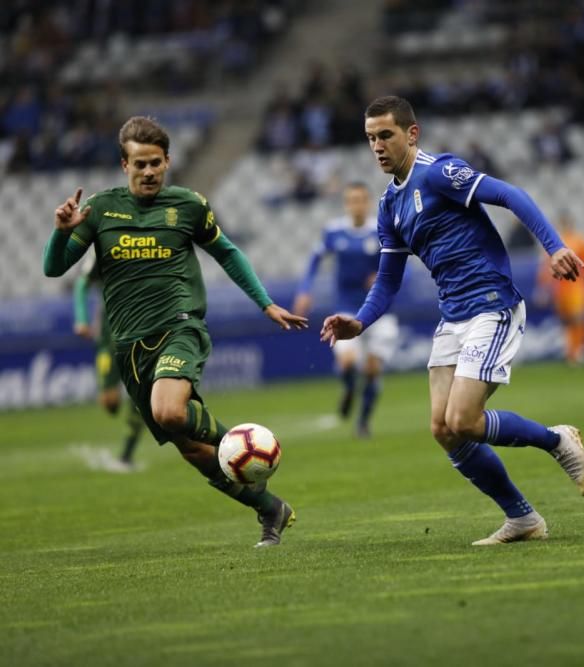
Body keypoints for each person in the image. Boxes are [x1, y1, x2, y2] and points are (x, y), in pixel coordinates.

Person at [320, 96, 584, 546]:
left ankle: (556, 440)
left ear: (412, 134)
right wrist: (360, 322)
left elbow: (509, 195)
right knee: (443, 429)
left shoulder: (438, 172)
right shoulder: (390, 207)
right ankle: (522, 519)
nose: (377, 146)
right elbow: (388, 279)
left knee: (464, 419)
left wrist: (554, 246)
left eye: (385, 135)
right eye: (370, 138)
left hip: (492, 304)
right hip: (453, 317)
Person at [43, 116, 307, 547]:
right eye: (139, 164)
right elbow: (54, 268)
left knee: (169, 413)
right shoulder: (99, 211)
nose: (148, 172)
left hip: (179, 327)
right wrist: (60, 234)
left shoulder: (188, 206)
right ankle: (269, 508)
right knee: (193, 451)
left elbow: (227, 252)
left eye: (155, 163)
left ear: (167, 161)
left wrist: (265, 302)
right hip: (128, 347)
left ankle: (245, 442)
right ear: (123, 165)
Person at [293, 182, 399, 438]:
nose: (357, 205)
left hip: (377, 312)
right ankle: (350, 389)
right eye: (352, 200)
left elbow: (399, 266)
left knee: (372, 370)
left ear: (368, 202)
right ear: (346, 204)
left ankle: (362, 422)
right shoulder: (334, 231)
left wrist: (380, 275)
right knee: (348, 363)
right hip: (346, 310)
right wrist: (305, 290)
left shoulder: (381, 229)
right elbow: (314, 260)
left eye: (361, 199)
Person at [73, 251, 146, 472]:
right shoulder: (103, 248)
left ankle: (126, 455)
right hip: (108, 339)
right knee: (110, 403)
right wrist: (82, 318)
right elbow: (81, 284)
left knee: (140, 401)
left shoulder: (148, 246)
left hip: (142, 335)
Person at [535, 214, 584, 365]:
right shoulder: (554, 243)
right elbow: (546, 267)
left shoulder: (580, 241)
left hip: (577, 286)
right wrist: (544, 288)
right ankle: (571, 352)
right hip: (561, 287)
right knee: (566, 321)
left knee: (579, 317)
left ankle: (581, 350)